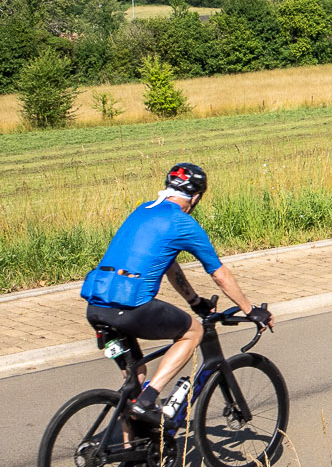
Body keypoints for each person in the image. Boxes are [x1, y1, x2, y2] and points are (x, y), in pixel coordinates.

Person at [80, 162, 269, 427]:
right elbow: (219, 273)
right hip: (131, 308)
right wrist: (251, 310)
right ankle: (149, 400)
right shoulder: (182, 223)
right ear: (196, 197)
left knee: (134, 381)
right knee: (193, 332)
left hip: (96, 308)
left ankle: (129, 458)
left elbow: (168, 262)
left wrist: (194, 301)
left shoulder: (142, 210)